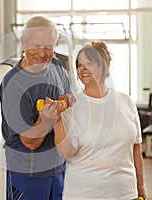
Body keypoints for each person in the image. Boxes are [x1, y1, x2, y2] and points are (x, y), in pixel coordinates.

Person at [53, 41, 146, 200]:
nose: (83, 68)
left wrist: (140, 187)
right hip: (84, 194)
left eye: (89, 63)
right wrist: (56, 119)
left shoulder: (126, 102)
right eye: (79, 65)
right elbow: (66, 152)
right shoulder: (71, 107)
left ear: (105, 66)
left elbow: (136, 149)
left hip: (125, 193)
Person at [0, 15, 76, 200]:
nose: (42, 54)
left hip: (58, 168)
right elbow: (30, 142)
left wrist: (67, 99)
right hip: (28, 173)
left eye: (48, 47)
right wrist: (45, 120)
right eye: (36, 46)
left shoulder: (57, 66)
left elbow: (67, 99)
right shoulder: (13, 85)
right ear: (24, 43)